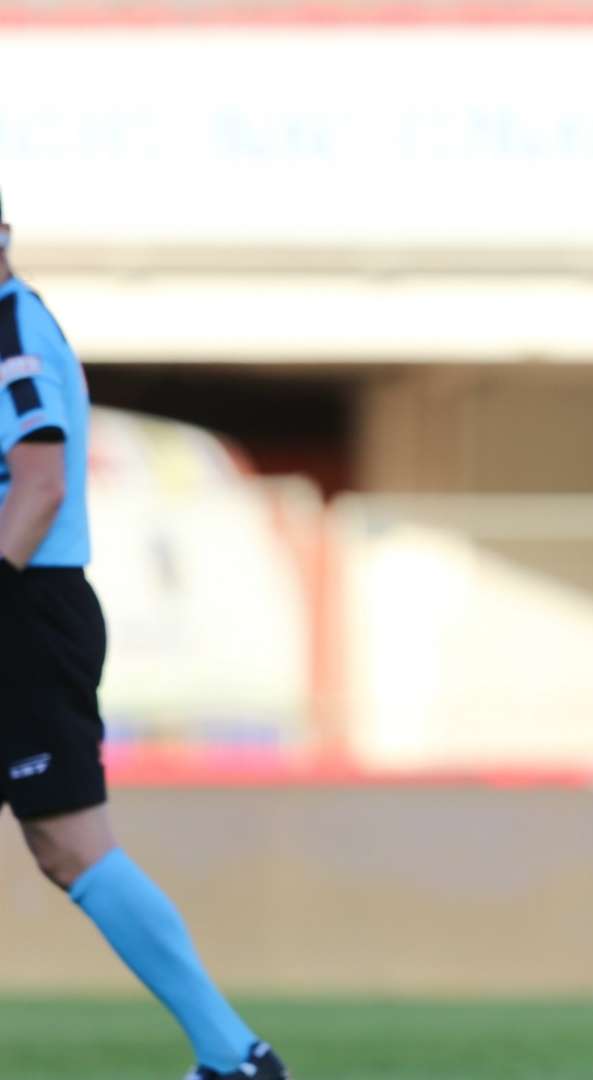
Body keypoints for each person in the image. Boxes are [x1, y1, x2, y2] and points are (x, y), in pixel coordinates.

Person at [0, 191, 289, 1079]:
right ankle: (230, 1053)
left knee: (72, 844)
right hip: (30, 608)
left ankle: (231, 1052)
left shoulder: (11, 333)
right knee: (68, 845)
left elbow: (40, 483)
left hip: (23, 613)